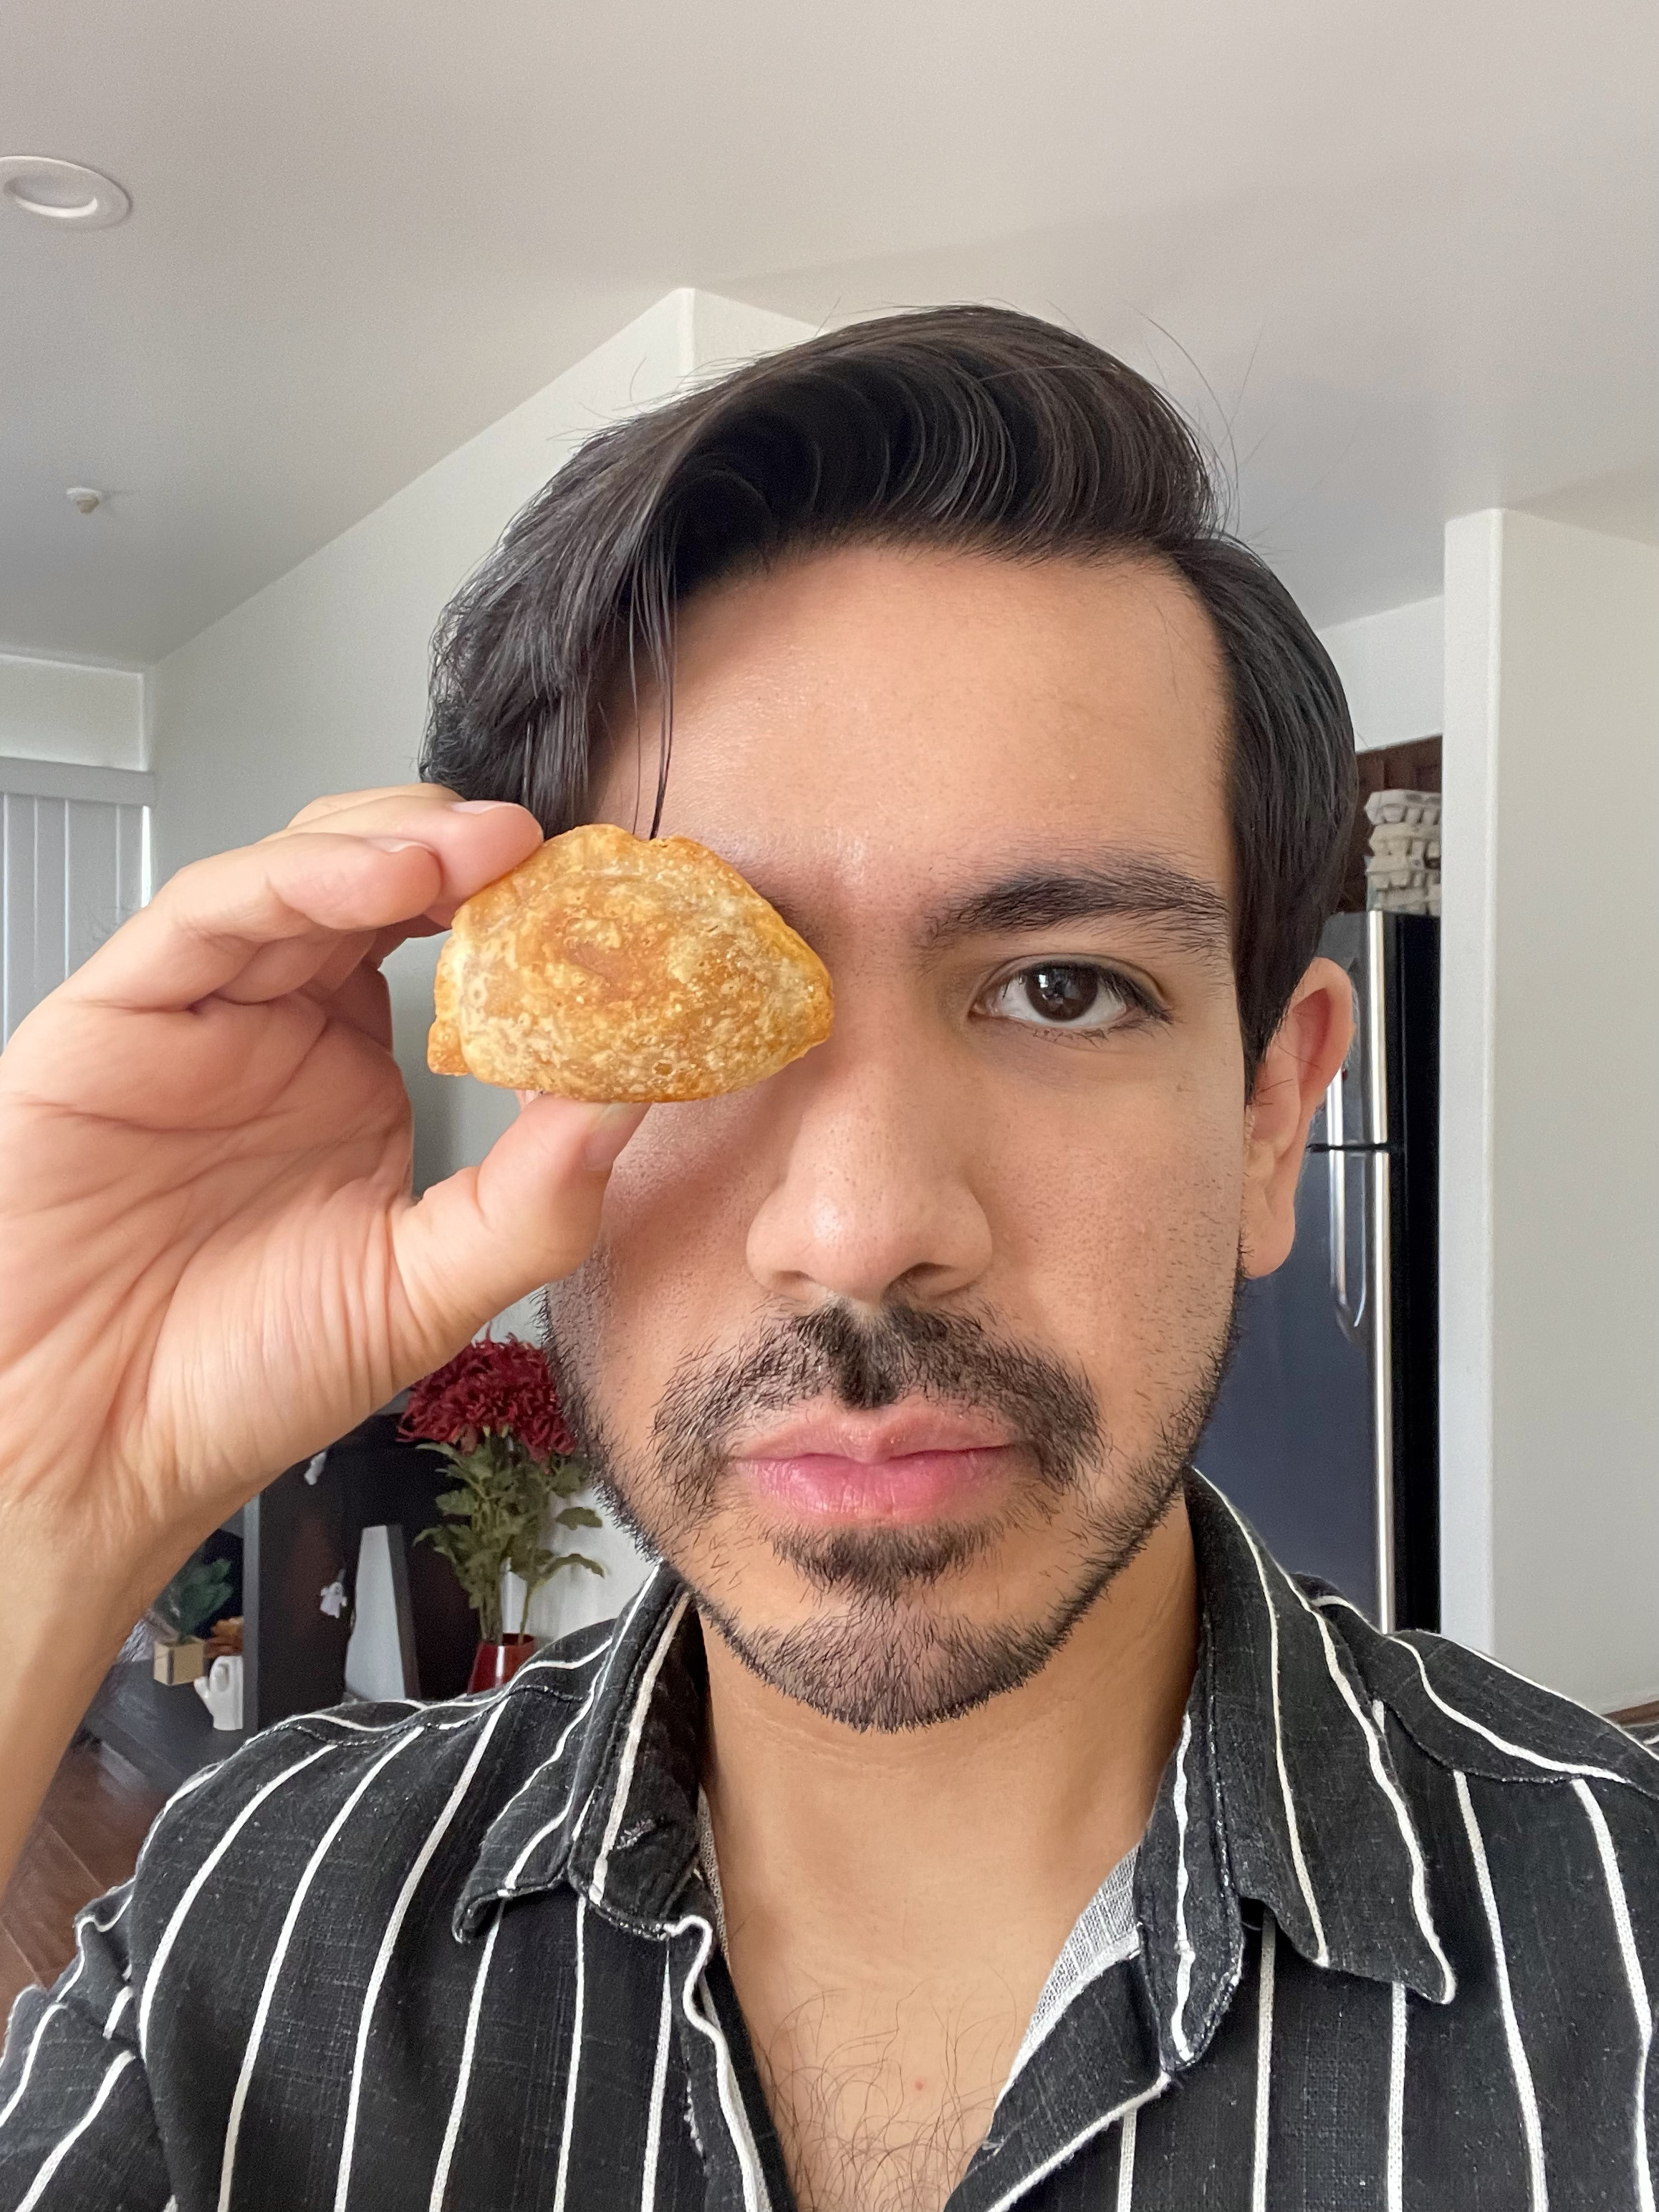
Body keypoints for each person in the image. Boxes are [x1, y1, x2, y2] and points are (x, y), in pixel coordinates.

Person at [0, 308, 1653, 2212]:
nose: (863, 1227)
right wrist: (59, 1488)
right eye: (709, 1008)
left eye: (1061, 988)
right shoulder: (249, 1923)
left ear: (1273, 1117)